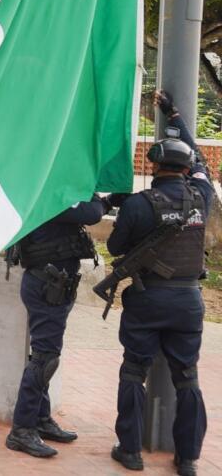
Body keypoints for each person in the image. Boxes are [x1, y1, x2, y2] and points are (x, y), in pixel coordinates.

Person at [106, 90, 211, 475]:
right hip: (188, 303)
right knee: (188, 378)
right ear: (186, 170)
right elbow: (199, 158)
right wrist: (174, 117)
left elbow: (116, 246)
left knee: (134, 371)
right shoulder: (202, 196)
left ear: (153, 167)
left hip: (147, 300)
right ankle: (188, 459)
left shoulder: (138, 204)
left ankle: (130, 451)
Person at [3, 195, 110, 458]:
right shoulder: (53, 193)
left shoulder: (57, 190)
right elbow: (92, 212)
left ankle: (40, 419)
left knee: (46, 356)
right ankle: (22, 430)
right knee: (45, 359)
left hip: (54, 283)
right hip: (46, 284)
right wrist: (105, 201)